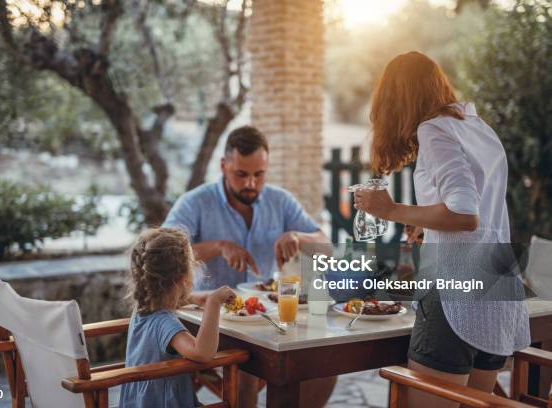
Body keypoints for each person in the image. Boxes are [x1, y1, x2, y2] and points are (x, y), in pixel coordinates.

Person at [354, 51, 530, 407]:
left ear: (396, 99)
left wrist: (390, 209)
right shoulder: (475, 125)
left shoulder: (432, 128)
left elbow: (466, 215)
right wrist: (426, 227)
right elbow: (481, 209)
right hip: (497, 287)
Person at [163, 125, 336, 408]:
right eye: (241, 174)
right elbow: (167, 252)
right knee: (246, 368)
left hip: (264, 316)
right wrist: (218, 246)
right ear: (223, 166)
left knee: (323, 364)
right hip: (208, 320)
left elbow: (326, 246)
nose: (251, 184)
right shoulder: (196, 202)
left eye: (259, 175)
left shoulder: (280, 201)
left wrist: (298, 236)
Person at [119, 227, 236, 408]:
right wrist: (213, 303)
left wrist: (191, 298)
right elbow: (202, 353)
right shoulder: (165, 323)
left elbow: (163, 299)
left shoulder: (142, 308)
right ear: (183, 279)